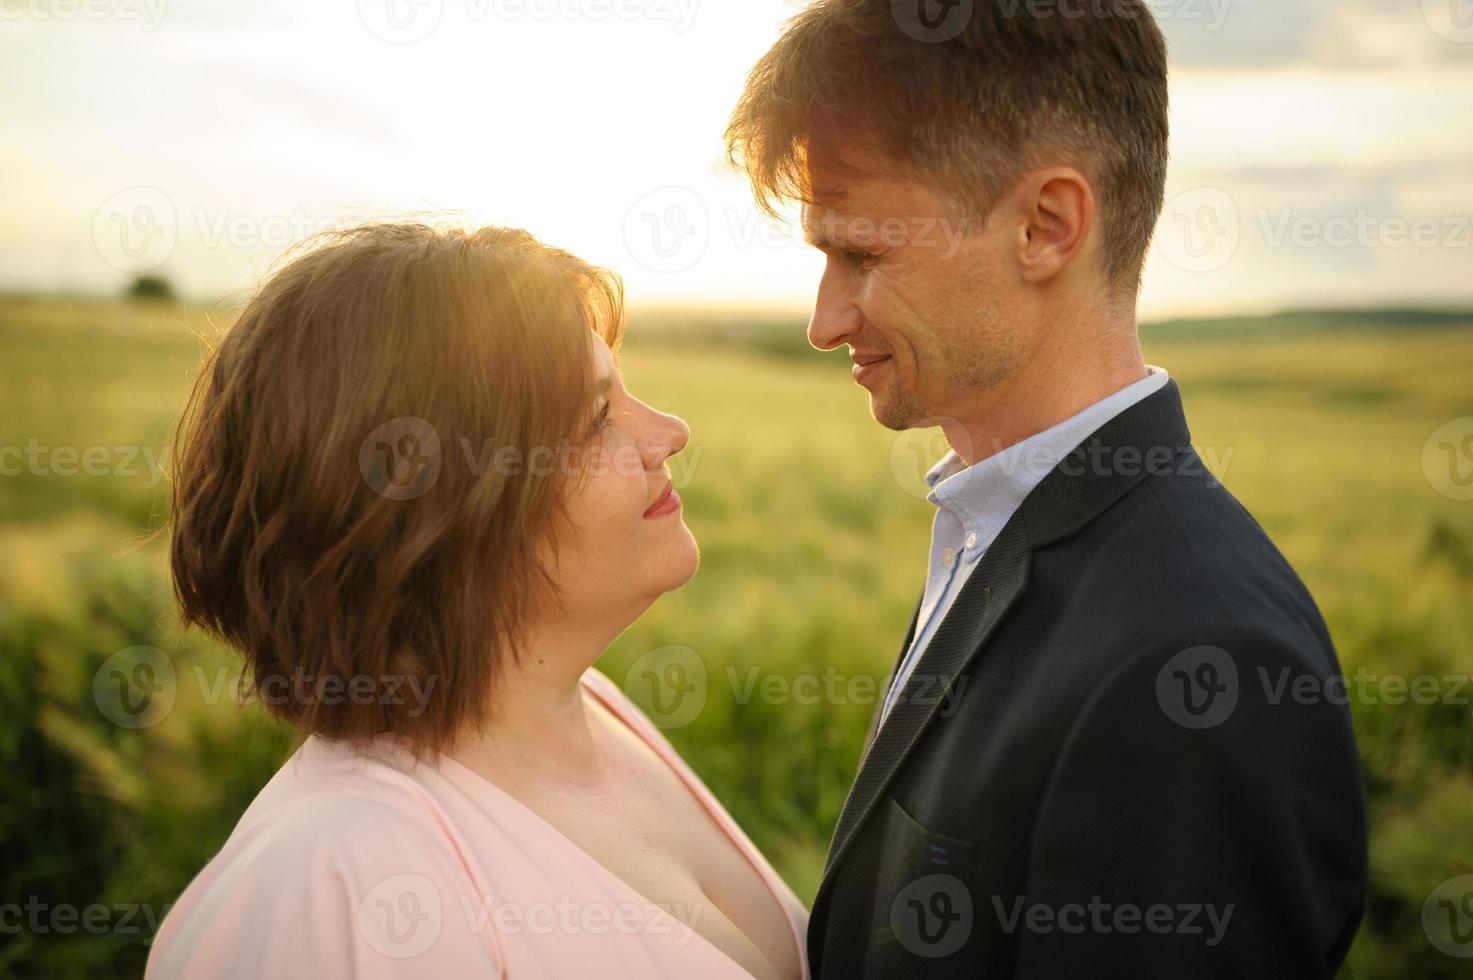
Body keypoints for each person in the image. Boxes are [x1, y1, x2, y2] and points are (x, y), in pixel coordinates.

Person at [725, 1, 1367, 976]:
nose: (824, 320)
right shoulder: (997, 526)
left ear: (1045, 225)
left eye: (862, 253)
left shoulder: (1195, 663)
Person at [146, 224, 807, 980]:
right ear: (433, 511)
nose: (669, 432)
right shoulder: (335, 882)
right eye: (594, 418)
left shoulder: (593, 708)